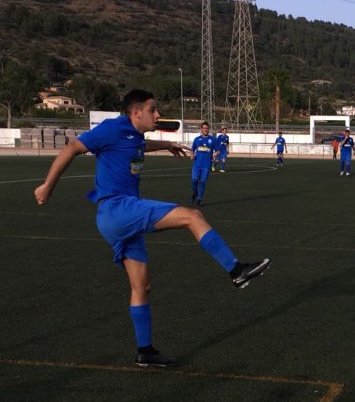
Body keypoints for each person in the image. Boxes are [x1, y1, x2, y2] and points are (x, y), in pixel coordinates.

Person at [33, 89, 271, 367]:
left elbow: (138, 146)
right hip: (118, 209)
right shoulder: (112, 129)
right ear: (136, 113)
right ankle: (236, 270)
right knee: (193, 216)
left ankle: (145, 351)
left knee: (142, 286)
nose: (157, 115)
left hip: (120, 219)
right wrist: (48, 185)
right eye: (153, 110)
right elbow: (73, 147)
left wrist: (166, 145)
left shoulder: (134, 135)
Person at [190, 121, 217, 206]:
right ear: (201, 129)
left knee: (202, 181)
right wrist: (192, 155)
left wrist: (215, 154)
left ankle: (199, 198)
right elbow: (192, 149)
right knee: (194, 180)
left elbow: (218, 150)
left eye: (207, 128)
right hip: (197, 164)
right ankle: (195, 192)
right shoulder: (197, 139)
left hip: (207, 164)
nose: (205, 130)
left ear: (208, 129)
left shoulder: (212, 140)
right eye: (204, 128)